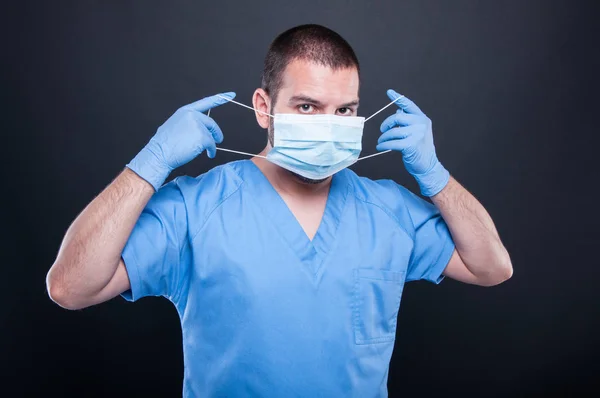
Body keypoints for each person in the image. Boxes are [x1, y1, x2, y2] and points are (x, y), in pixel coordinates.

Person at [46, 24, 512, 397]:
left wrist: (435, 177)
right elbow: (70, 287)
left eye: (345, 111)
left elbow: (492, 268)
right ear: (264, 108)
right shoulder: (195, 207)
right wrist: (149, 164)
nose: (329, 126)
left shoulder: (388, 209)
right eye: (307, 106)